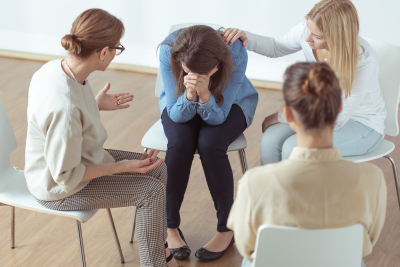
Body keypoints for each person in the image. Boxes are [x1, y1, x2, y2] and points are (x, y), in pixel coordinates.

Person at [24, 9, 180, 267]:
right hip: (59, 187)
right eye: (117, 48)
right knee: (150, 192)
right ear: (103, 52)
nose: (116, 53)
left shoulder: (58, 68)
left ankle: (158, 250)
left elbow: (68, 120)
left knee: (157, 168)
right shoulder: (65, 107)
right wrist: (123, 167)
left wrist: (94, 105)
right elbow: (65, 175)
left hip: (81, 159)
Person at [227, 62, 387, 267]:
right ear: (339, 108)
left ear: (289, 114)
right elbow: (366, 244)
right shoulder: (372, 179)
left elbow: (247, 247)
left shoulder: (253, 183)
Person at [223, 0, 386, 165]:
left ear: (337, 37)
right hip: (319, 111)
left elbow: (336, 118)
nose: (307, 38)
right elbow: (275, 46)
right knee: (269, 141)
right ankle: (273, 190)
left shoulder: (364, 61)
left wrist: (283, 116)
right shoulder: (308, 32)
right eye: (308, 28)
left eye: (317, 36)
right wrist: (245, 37)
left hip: (363, 125)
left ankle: (300, 190)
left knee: (293, 148)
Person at [158, 25, 258, 261]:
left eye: (203, 72)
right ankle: (169, 227)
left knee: (211, 142)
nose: (194, 75)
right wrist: (191, 95)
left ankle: (226, 229)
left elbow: (218, 117)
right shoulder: (168, 50)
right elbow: (175, 114)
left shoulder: (234, 52)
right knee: (180, 142)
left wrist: (204, 95)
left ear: (217, 65)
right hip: (179, 104)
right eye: (189, 70)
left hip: (232, 104)